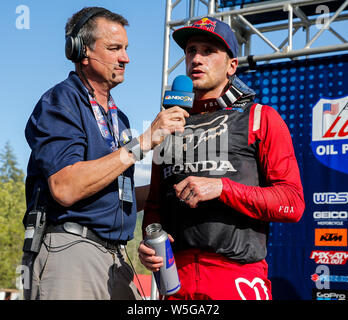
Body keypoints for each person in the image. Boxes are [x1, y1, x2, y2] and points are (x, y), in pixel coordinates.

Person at [21, 7, 188, 300]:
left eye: (125, 48)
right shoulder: (61, 101)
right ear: (80, 51)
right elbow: (66, 187)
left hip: (115, 257)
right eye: (114, 48)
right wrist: (142, 143)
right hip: (71, 252)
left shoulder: (118, 117)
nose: (125, 58)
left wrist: (166, 190)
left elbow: (114, 194)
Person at [138, 16, 305, 300]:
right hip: (176, 284)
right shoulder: (168, 125)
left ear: (232, 65)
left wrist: (222, 188)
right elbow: (155, 205)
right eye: (191, 50)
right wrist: (151, 244)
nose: (196, 59)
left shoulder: (260, 118)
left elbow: (292, 203)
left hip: (237, 279)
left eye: (208, 51)